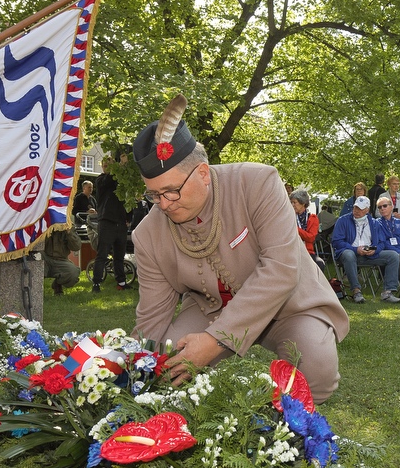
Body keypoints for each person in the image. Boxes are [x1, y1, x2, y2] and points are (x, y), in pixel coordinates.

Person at [130, 96, 349, 403]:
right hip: (210, 308)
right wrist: (135, 364)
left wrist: (215, 341)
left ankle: (284, 434)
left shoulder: (258, 182)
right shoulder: (147, 235)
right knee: (168, 370)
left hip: (288, 306)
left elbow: (281, 270)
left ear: (203, 173)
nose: (164, 204)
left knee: (315, 371)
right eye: (154, 195)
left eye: (172, 190)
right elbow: (152, 316)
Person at [331, 196, 400, 304]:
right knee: (349, 254)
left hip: (370, 254)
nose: (356, 211)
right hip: (349, 254)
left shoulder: (374, 223)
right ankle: (356, 291)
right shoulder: (343, 220)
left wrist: (375, 249)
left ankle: (388, 292)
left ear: (367, 210)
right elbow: (336, 241)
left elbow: (382, 242)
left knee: (393, 255)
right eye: (355, 208)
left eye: (360, 209)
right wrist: (355, 249)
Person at [92, 153, 130, 292]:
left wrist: (128, 219)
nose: (107, 167)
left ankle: (121, 282)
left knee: (119, 256)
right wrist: (120, 165)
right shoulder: (101, 180)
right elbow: (108, 180)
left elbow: (126, 199)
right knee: (102, 254)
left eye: (109, 164)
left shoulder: (119, 181)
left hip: (120, 223)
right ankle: (96, 283)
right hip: (107, 222)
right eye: (105, 165)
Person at [290, 189, 322, 269]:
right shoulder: (289, 217)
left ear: (303, 203)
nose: (292, 205)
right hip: (291, 251)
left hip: (307, 251)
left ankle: (315, 282)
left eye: (295, 202)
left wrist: (295, 228)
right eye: (291, 202)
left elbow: (311, 238)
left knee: (320, 263)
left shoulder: (313, 218)